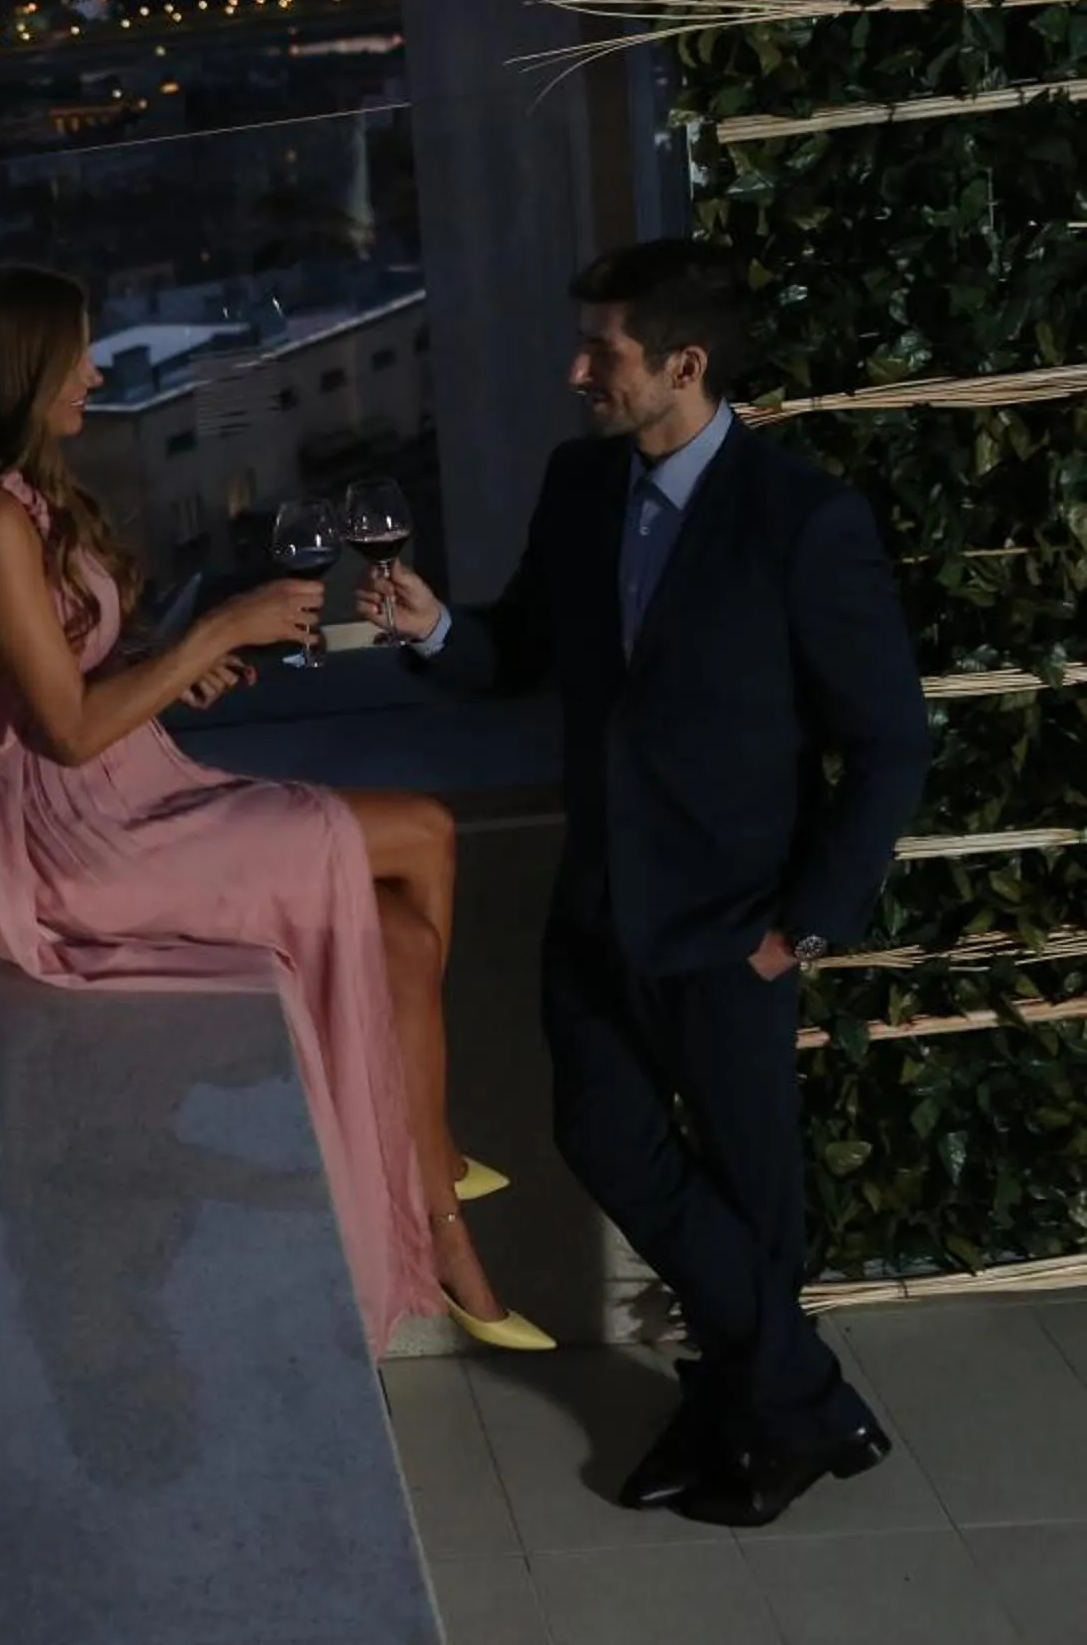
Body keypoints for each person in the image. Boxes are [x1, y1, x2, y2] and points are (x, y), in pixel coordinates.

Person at [364, 238, 927, 1528]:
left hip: (738, 931)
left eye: (599, 351)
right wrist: (434, 628)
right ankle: (803, 1396)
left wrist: (805, 927)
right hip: (600, 905)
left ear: (686, 361)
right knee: (602, 1132)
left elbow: (890, 741)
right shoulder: (578, 486)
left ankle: (751, 1420)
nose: (575, 372)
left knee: (751, 1196)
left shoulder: (803, 517)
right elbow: (520, 651)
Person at [0, 261, 542, 1357]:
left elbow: (70, 682)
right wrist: (226, 627)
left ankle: (434, 1191)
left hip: (132, 782)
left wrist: (171, 664)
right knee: (425, 833)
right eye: (76, 355)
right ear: (25, 370)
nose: (96, 370)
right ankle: (431, 1169)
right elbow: (63, 731)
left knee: (400, 934)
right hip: (83, 837)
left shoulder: (23, 497)